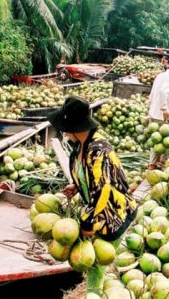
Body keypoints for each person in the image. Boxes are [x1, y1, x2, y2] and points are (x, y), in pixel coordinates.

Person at [47, 96, 137, 241]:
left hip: (114, 216)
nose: (63, 132)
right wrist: (78, 185)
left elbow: (102, 190)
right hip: (98, 214)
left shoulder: (99, 150)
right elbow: (91, 175)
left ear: (73, 126)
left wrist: (86, 223)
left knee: (98, 261)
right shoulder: (79, 144)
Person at [148, 59, 169, 169]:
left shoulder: (160, 76)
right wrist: (165, 109)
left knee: (156, 140)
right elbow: (163, 92)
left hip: (153, 113)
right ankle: (164, 164)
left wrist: (150, 108)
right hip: (163, 114)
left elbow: (152, 93)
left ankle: (152, 164)